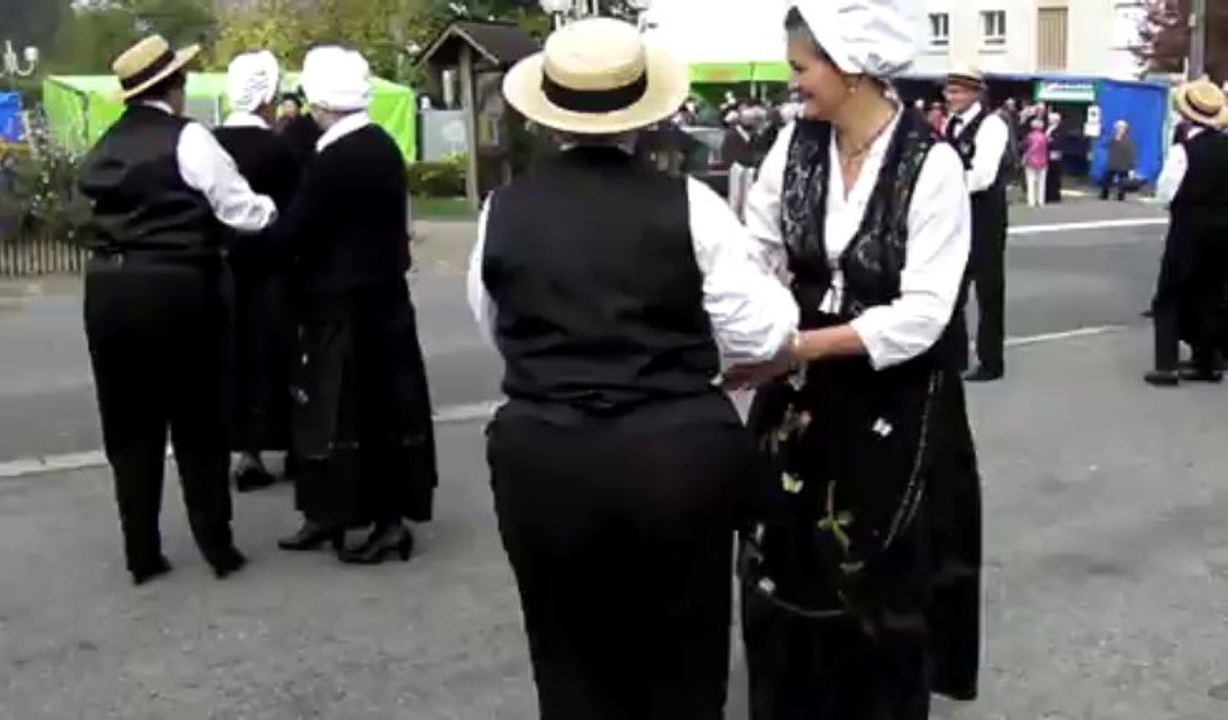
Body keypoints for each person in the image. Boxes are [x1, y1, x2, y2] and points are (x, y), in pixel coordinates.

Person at [472, 18, 800, 718]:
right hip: (671, 447)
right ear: (643, 116)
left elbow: (495, 324)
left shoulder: (503, 209)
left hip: (545, 451)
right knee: (682, 651)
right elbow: (762, 331)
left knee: (566, 650)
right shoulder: (691, 205)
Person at [736, 1, 982, 717]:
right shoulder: (793, 148)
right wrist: (746, 320)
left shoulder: (931, 165)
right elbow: (759, 250)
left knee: (876, 569)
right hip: (800, 391)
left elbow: (925, 314)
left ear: (850, 68)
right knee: (786, 560)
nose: (793, 84)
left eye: (800, 68)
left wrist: (798, 346)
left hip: (894, 399)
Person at [79, 35, 277, 585]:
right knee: (199, 419)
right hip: (179, 285)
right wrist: (272, 208)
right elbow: (240, 209)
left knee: (129, 424)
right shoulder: (188, 137)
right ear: (175, 86)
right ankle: (216, 545)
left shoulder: (108, 143)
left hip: (109, 287)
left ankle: (141, 551)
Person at [275, 46, 437, 564]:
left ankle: (374, 520)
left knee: (345, 415)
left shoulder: (337, 159)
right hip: (379, 299)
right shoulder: (379, 144)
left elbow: (297, 228)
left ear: (323, 99)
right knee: (372, 412)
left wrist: (245, 239)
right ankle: (336, 513)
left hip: (346, 306)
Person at [215, 51, 303, 492]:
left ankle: (245, 453)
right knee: (281, 358)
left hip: (223, 272)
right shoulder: (279, 149)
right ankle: (291, 447)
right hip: (273, 270)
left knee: (233, 359)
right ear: (267, 96)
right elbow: (294, 213)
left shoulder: (208, 142)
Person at [1145, 77, 1228, 387]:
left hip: (1189, 229)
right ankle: (1208, 363)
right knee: (1210, 295)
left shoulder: (1184, 151)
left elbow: (1165, 193)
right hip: (1223, 231)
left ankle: (1165, 366)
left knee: (1169, 295)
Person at [943, 64, 1011, 382]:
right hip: (956, 215)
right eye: (949, 90)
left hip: (984, 216)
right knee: (951, 288)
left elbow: (983, 176)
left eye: (957, 91)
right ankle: (953, 356)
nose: (950, 97)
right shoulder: (950, 125)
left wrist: (943, 187)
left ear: (975, 94)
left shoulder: (991, 125)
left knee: (988, 289)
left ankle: (991, 359)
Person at [1101, 120, 1137, 201]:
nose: (1119, 129)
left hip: (1123, 165)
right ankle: (1104, 195)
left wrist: (1131, 166)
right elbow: (1105, 145)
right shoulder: (1112, 139)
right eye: (1118, 128)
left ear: (1125, 129)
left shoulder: (1128, 141)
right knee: (1106, 180)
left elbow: (1131, 154)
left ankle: (1120, 196)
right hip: (1112, 164)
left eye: (1121, 128)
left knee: (1123, 182)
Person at [1023, 117, 1050, 208]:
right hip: (1043, 161)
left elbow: (1027, 147)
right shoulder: (1044, 137)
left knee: (1031, 181)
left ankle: (1031, 201)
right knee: (1042, 182)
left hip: (1031, 160)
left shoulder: (1029, 136)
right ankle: (1041, 200)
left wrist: (1025, 157)